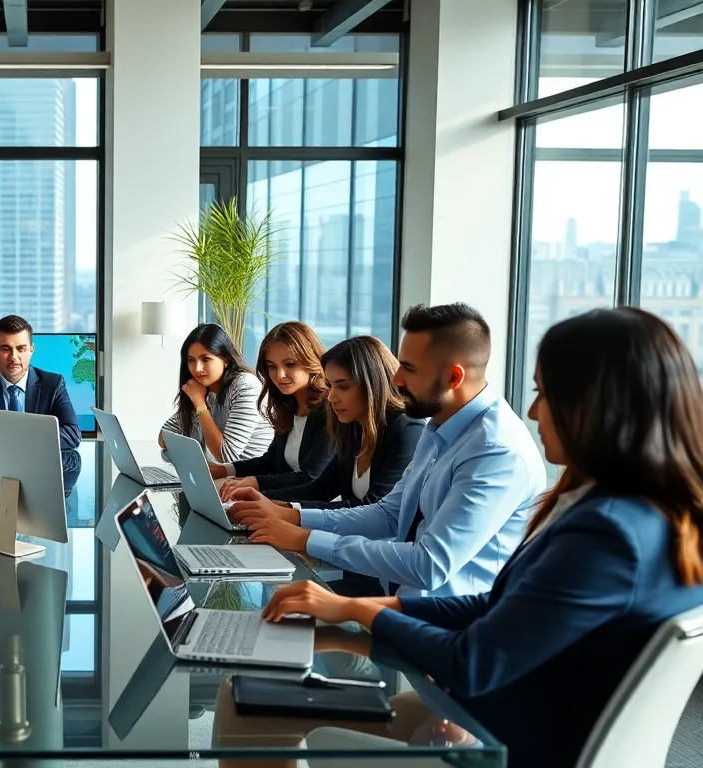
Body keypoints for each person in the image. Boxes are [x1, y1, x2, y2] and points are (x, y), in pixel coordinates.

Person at [262, 307, 703, 768]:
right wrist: (359, 609)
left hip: (502, 732)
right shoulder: (643, 512)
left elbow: (473, 661)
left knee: (256, 708)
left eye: (544, 393)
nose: (533, 411)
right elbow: (500, 608)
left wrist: (358, 612)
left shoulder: (605, 531)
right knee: (270, 695)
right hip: (508, 708)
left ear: (597, 406)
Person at [239, 304, 545, 598]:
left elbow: (429, 565)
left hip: (450, 633)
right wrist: (294, 516)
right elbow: (390, 513)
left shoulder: (495, 451)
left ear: (453, 377)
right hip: (404, 608)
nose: (395, 380)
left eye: (409, 369)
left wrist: (306, 539)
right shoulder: (439, 428)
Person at [225, 336, 425, 512]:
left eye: (343, 387)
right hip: (350, 542)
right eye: (330, 386)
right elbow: (320, 489)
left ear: (373, 385)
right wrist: (259, 500)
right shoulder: (354, 426)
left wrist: (288, 511)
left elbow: (376, 508)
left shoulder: (408, 429)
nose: (330, 397)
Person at [208, 321, 334, 491]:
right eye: (272, 367)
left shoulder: (329, 408)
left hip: (313, 508)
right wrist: (225, 469)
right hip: (286, 498)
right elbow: (270, 461)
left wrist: (255, 483)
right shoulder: (289, 404)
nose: (279, 375)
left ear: (311, 361)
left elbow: (311, 477)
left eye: (290, 364)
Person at [0, 314, 82, 451]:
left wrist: (19, 439)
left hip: (40, 467)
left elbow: (72, 434)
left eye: (21, 349)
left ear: (31, 350)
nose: (14, 357)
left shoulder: (53, 384)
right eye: (5, 349)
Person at [159, 323, 274, 463]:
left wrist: (199, 404)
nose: (197, 368)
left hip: (252, 478)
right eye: (191, 360)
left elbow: (225, 456)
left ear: (226, 359)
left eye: (206, 359)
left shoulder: (246, 386)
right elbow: (164, 437)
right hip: (223, 477)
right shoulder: (204, 388)